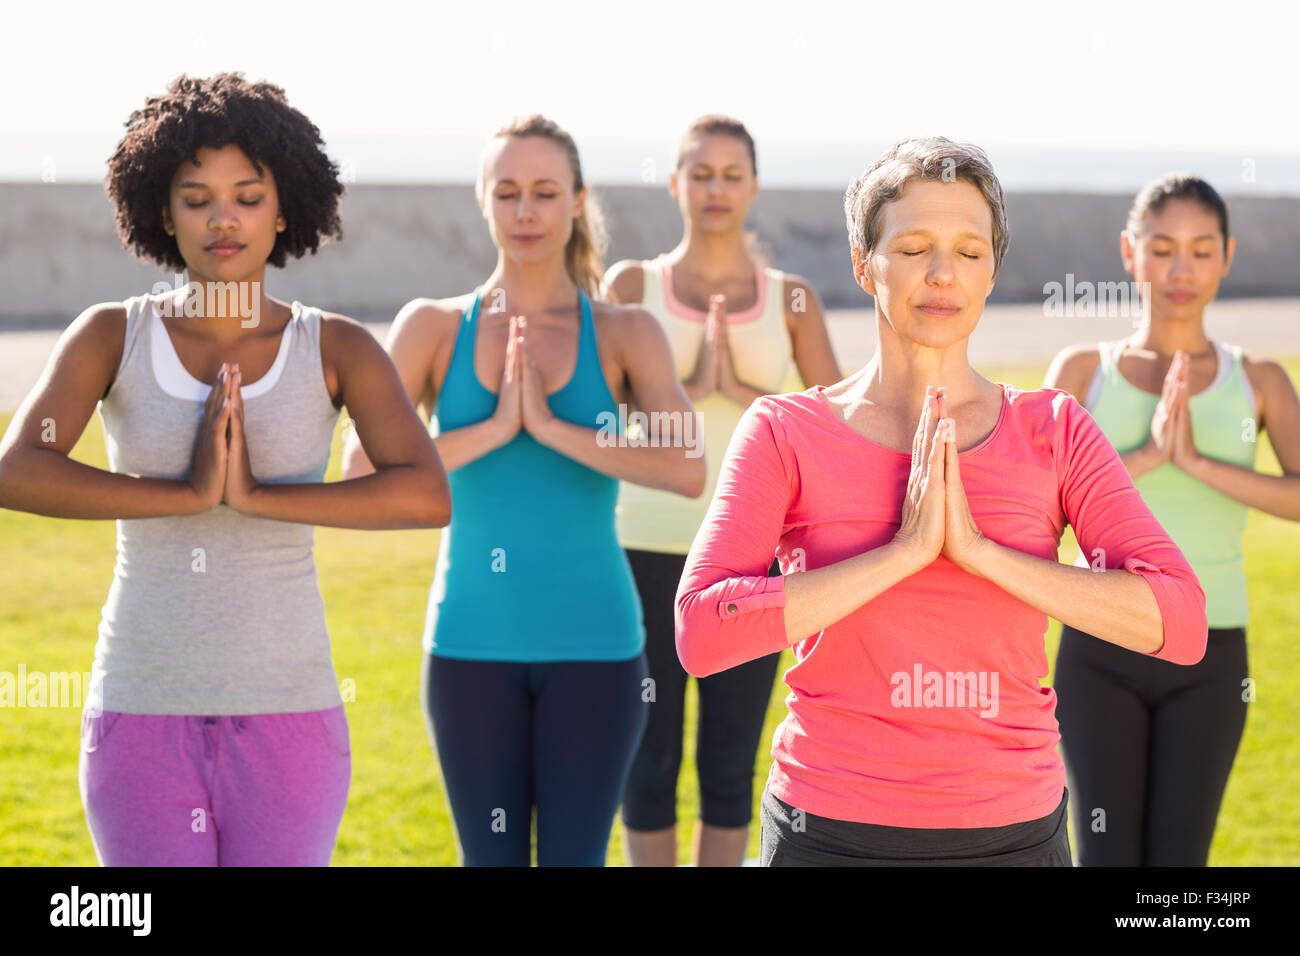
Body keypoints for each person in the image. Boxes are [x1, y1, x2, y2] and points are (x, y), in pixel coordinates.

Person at [675, 136, 1210, 867]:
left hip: (1013, 835)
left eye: (968, 250)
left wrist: (983, 555)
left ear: (991, 272)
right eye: (914, 246)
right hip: (827, 832)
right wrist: (902, 555)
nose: (941, 274)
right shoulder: (784, 431)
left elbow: (1179, 622)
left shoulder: (1053, 430)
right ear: (866, 264)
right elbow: (703, 634)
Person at [0, 73, 449, 866]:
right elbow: (19, 469)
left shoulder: (336, 347)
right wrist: (186, 494)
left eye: (247, 195)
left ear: (285, 208)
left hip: (289, 709)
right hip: (142, 703)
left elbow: (425, 492)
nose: (223, 219)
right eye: (196, 197)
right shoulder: (112, 336)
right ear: (162, 213)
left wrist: (254, 496)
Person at [342, 114, 705, 866]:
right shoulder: (434, 327)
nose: (526, 211)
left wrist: (557, 429)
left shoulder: (625, 330)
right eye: (507, 192)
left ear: (576, 200)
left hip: (597, 651)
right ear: (484, 200)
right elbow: (360, 475)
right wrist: (497, 426)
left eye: (544, 191)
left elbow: (687, 467)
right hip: (471, 647)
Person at [1043, 173, 1300, 866]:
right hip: (1099, 649)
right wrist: (1152, 455)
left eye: (1201, 249)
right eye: (1161, 248)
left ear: (1227, 255)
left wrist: (1202, 463)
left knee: (1178, 871)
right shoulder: (1080, 373)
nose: (1181, 270)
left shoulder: (1262, 379)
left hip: (1212, 654)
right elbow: (1036, 509)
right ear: (1129, 252)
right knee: (1106, 858)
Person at [604, 115, 840, 867]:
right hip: (642, 547)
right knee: (647, 758)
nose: (715, 188)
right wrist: (682, 394)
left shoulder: (791, 297)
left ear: (753, 186)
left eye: (731, 174)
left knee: (731, 761)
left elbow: (837, 426)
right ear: (675, 183)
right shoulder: (631, 285)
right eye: (699, 173)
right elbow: (596, 423)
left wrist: (735, 388)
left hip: (752, 559)